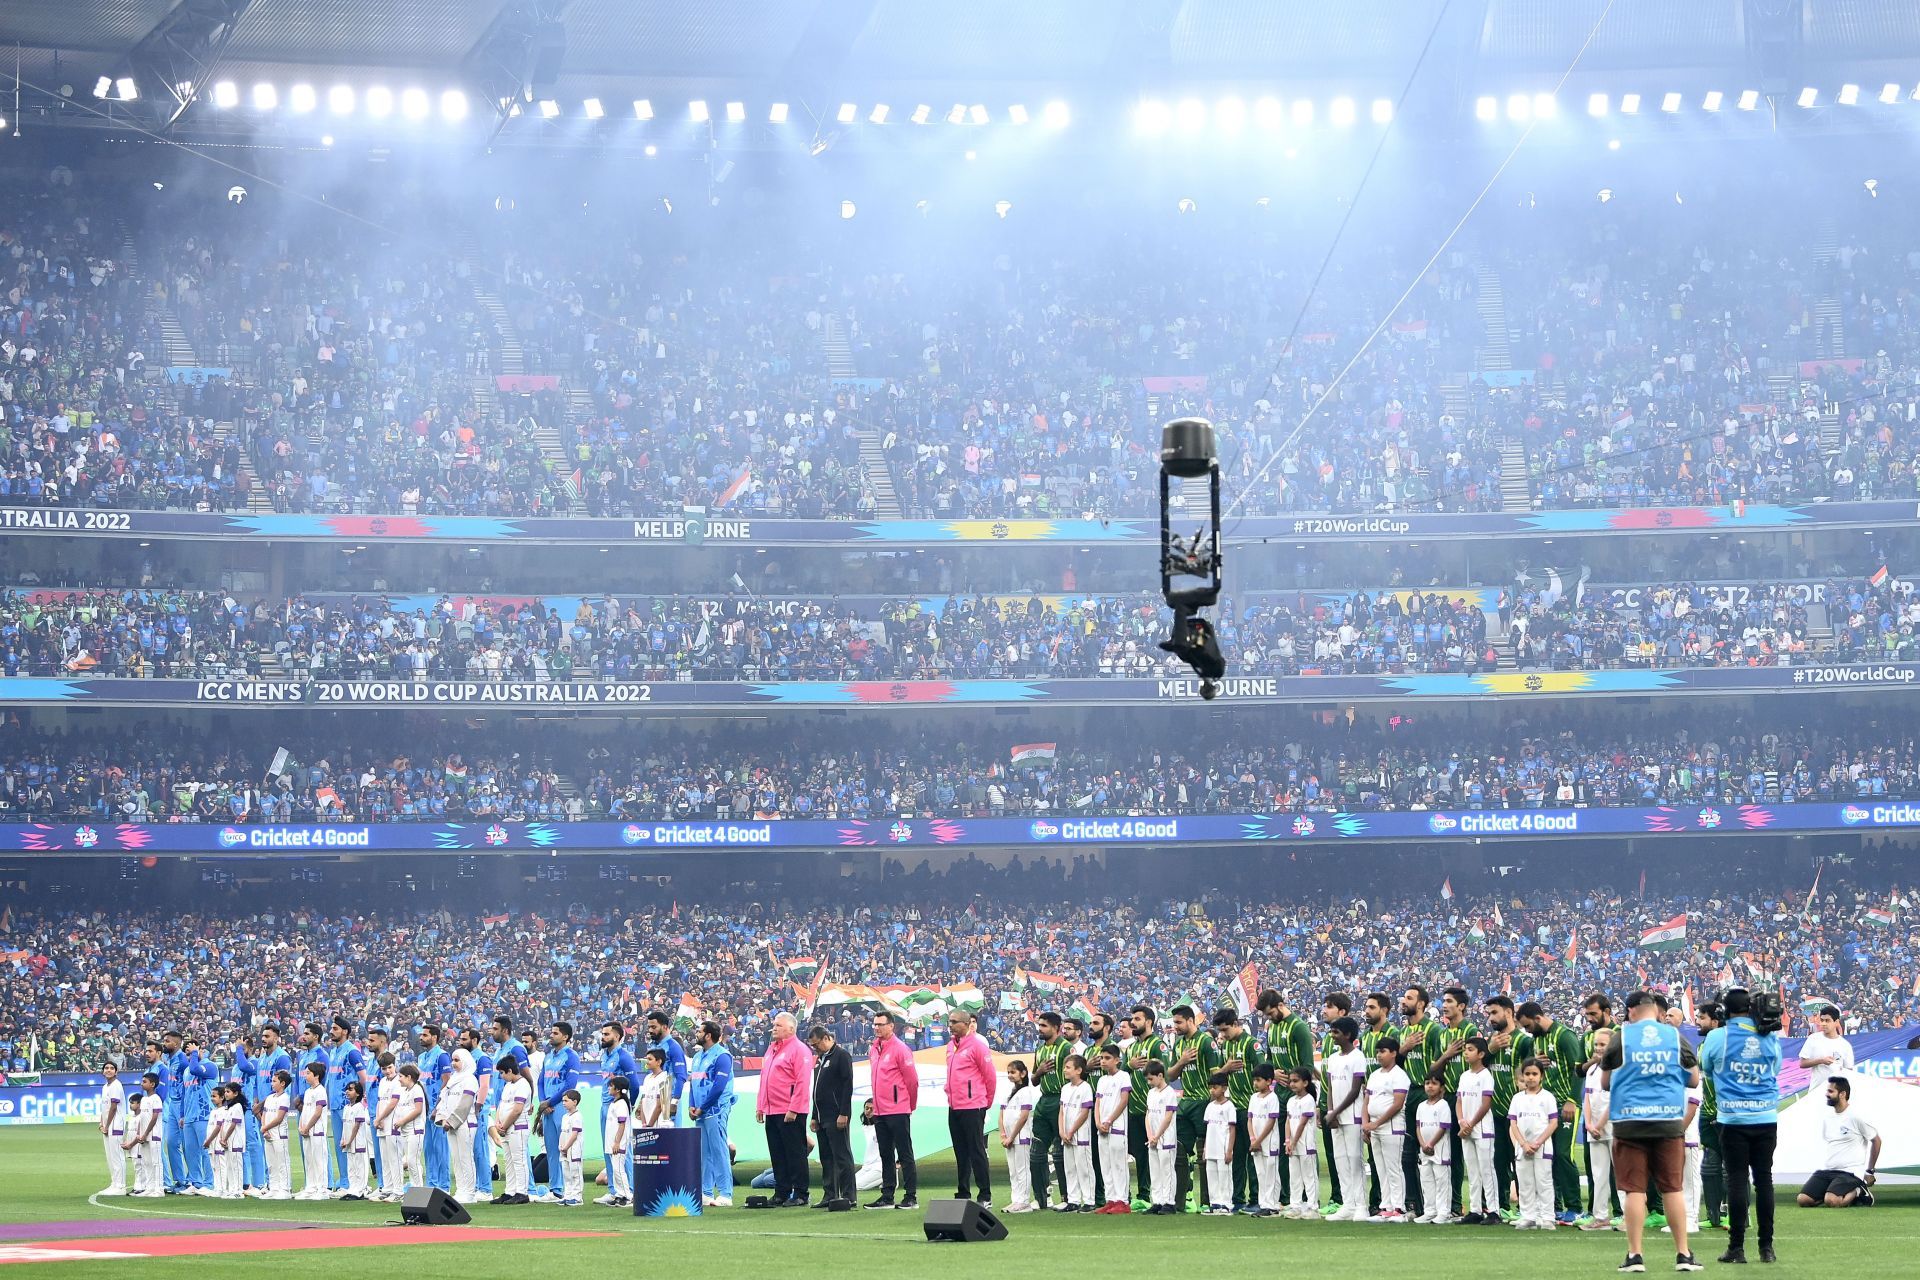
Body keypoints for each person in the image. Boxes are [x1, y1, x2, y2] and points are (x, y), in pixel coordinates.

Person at [1603, 989, 1704, 1274]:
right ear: (1655, 1010)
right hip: (1668, 1120)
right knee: (1672, 1189)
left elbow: (1605, 1081)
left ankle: (1635, 1255)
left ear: (1632, 1011)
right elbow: (1694, 1079)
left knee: (1634, 1190)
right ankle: (1683, 1254)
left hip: (1629, 1121)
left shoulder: (1620, 1038)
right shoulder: (1674, 1037)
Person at [1699, 988, 1782, 1265]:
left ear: (1723, 1011)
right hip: (1766, 1118)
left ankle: (1736, 1248)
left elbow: (1707, 1068)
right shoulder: (1768, 1035)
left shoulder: (1717, 1036)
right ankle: (1766, 1248)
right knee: (1764, 1180)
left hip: (1732, 1119)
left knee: (1736, 1180)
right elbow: (1776, 1067)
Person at [1518, 998, 1585, 1224]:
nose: (1527, 1031)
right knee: (1548, 1157)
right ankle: (1554, 1206)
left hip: (1565, 1105)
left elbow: (1579, 1071)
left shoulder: (1565, 1036)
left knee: (1564, 1155)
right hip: (1543, 1107)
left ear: (1538, 1018)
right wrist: (1534, 1062)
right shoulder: (1535, 1041)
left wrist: (1572, 1100)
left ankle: (1575, 1207)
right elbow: (1523, 1068)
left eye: (1528, 1026)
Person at [1257, 990, 1314, 1210]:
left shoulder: (1298, 1027)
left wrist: (1292, 1080)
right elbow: (1270, 1060)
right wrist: (1274, 1073)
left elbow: (1307, 1065)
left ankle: (1310, 1199)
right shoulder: (1272, 1028)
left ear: (1280, 1005)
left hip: (1299, 1095)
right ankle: (1288, 1197)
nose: (1268, 1018)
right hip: (1279, 1096)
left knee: (1303, 1147)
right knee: (1282, 1145)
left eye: (1270, 1013)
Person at [755, 1012, 813, 1208]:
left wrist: (794, 1108)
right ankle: (781, 1191)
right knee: (777, 1153)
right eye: (774, 1025)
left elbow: (802, 1082)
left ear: (791, 1029)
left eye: (778, 1025)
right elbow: (764, 1079)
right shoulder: (772, 1049)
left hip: (789, 1110)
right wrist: (760, 1105)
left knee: (795, 1152)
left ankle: (801, 1193)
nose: (774, 1028)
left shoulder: (799, 1050)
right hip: (772, 1109)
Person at [1169, 1003, 1223, 1213]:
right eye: (1174, 1022)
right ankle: (1181, 1201)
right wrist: (1182, 1061)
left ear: (1191, 1021)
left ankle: (1208, 1201)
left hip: (1203, 1101)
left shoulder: (1206, 1042)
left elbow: (1215, 1075)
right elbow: (1171, 1075)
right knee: (1180, 1152)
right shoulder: (1179, 1044)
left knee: (1204, 1154)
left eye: (1179, 1022)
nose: (1176, 1026)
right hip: (1185, 1102)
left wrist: (1213, 1103)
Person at [1796, 1077, 1879, 1208]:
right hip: (1828, 1170)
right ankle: (1830, 1193)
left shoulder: (1856, 1116)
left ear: (1842, 1094)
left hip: (1850, 1172)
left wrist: (1870, 1171)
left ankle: (1859, 1190)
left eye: (1830, 1091)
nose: (1826, 1094)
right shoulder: (1827, 1118)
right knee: (1803, 1200)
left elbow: (1876, 1140)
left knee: (1832, 1201)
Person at [865, 1010, 919, 1210]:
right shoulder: (874, 1049)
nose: (877, 1028)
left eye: (880, 1024)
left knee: (904, 1154)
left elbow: (912, 1081)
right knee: (885, 1154)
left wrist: (909, 1105)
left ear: (891, 1026)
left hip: (898, 1109)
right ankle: (887, 1196)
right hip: (880, 1111)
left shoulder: (900, 1049)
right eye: (875, 1025)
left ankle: (911, 1196)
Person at [1211, 1008, 1263, 1213]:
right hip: (1234, 1107)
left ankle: (1257, 1199)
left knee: (1254, 1155)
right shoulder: (1226, 1046)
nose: (1222, 1034)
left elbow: (1263, 1074)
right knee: (1237, 1155)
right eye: (1220, 1031)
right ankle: (1238, 1199)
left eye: (1225, 1030)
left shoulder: (1251, 1044)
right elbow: (1217, 1077)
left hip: (1252, 1107)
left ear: (1235, 1024)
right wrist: (1226, 1069)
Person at [1480, 995, 1526, 1220]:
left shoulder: (1524, 1041)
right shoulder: (1492, 1041)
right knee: (1498, 1161)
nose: (1491, 1018)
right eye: (1489, 1014)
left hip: (1517, 1114)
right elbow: (1478, 1065)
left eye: (1494, 1013)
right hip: (1494, 1111)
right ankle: (1501, 1207)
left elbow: (1532, 1072)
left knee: (1520, 1162)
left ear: (1508, 1013)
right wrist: (1489, 1050)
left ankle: (1526, 1207)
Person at [944, 1009, 995, 1206]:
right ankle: (963, 1191)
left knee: (976, 1150)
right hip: (954, 1105)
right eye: (949, 1021)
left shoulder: (977, 1046)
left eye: (954, 1022)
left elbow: (989, 1076)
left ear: (966, 1024)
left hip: (973, 1106)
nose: (950, 1025)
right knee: (960, 1151)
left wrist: (985, 1102)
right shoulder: (950, 1046)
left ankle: (985, 1194)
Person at [234, 1026, 289, 1195]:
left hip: (274, 1105)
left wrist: (262, 1103)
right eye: (262, 1036)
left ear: (277, 1037)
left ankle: (279, 1185)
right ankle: (270, 1184)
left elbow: (284, 1084)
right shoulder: (263, 1057)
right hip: (260, 1108)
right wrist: (257, 1101)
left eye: (267, 1036)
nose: (263, 1039)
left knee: (275, 1147)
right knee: (267, 1147)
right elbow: (258, 1082)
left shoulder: (281, 1057)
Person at [1324, 1016, 1369, 1221]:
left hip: (1353, 1115)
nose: (1332, 1036)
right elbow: (1331, 1087)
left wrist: (1336, 1111)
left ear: (1348, 1035)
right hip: (1336, 1117)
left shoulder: (1357, 1057)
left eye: (1336, 1032)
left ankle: (1361, 1205)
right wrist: (1330, 1111)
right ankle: (1348, 1203)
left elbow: (1355, 1089)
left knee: (1354, 1159)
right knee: (1340, 1159)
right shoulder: (1333, 1059)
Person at [687, 1020, 736, 1207]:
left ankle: (725, 1194)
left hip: (716, 1110)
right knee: (703, 1152)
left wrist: (703, 1106)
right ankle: (705, 1192)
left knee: (718, 1150)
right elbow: (693, 1081)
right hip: (699, 1110)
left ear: (708, 1035)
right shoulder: (698, 1056)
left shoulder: (722, 1056)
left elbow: (719, 1086)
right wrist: (692, 1105)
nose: (696, 1034)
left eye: (699, 1031)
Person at [1363, 1036, 1411, 1222]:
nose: (1379, 1055)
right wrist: (1366, 1124)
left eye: (1383, 1051)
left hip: (1391, 1126)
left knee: (1393, 1167)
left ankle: (1398, 1208)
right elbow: (1367, 1100)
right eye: (1377, 1051)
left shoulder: (1399, 1075)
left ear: (1393, 1053)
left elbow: (1397, 1104)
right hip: (1374, 1126)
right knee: (1380, 1167)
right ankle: (1386, 1206)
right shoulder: (1375, 1075)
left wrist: (1376, 1123)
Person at [1125, 1004, 1170, 1204]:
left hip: (1154, 1111)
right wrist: (1129, 1065)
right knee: (1141, 1154)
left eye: (1137, 1019)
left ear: (1149, 1022)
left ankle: (1165, 1195)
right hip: (1134, 1109)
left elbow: (1165, 1074)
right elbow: (1123, 1074)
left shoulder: (1158, 1045)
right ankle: (1143, 1195)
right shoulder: (1131, 1048)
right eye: (1132, 1019)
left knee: (1160, 1153)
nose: (1133, 1022)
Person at [532, 1022, 581, 1203]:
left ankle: (571, 1190)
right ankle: (556, 1190)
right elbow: (540, 1082)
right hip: (548, 1109)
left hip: (562, 1107)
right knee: (551, 1149)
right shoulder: (548, 1056)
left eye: (555, 1033)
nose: (550, 1036)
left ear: (565, 1037)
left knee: (565, 1149)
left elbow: (570, 1085)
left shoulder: (571, 1056)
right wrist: (543, 1102)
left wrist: (550, 1102)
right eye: (551, 1032)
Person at [809, 1024, 855, 1211]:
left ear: (827, 1038)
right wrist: (814, 1116)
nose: (815, 1048)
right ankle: (830, 1195)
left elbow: (847, 1086)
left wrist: (844, 1113)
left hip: (836, 1115)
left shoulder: (841, 1056)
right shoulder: (820, 1059)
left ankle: (848, 1196)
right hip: (822, 1116)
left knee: (842, 1156)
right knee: (826, 1158)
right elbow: (816, 1091)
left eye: (817, 1044)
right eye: (812, 1045)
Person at [1027, 1011, 1070, 1209]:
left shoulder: (1066, 1048)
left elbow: (1075, 1075)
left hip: (1061, 1100)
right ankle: (1041, 1198)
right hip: (1043, 1101)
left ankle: (1066, 1198)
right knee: (1036, 1152)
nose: (1040, 1029)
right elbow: (1034, 1081)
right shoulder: (1040, 1049)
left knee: (1061, 1153)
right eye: (1039, 1025)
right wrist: (1040, 1071)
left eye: (1044, 1026)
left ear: (1056, 1028)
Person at [1510, 1059, 1559, 1229]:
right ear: (1522, 1076)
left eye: (1534, 1074)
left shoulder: (1547, 1097)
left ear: (1541, 1076)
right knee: (1525, 1183)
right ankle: (1528, 1216)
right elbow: (1513, 1124)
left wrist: (1538, 1142)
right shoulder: (1517, 1098)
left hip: (1542, 1147)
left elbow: (1553, 1123)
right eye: (1527, 1074)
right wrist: (1523, 1144)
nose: (1531, 1078)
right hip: (1522, 1147)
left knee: (1543, 1181)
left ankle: (1547, 1216)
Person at [323, 1017, 370, 1193]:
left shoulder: (352, 1052)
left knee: (353, 1144)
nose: (331, 1031)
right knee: (340, 1143)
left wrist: (361, 1099)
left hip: (349, 1105)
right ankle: (344, 1180)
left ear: (344, 1031)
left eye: (335, 1028)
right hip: (336, 1105)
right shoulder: (333, 1051)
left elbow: (363, 1077)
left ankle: (355, 1182)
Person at [1456, 1037, 1497, 1225]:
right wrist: (1461, 1121)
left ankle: (1494, 1210)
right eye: (1465, 1049)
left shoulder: (1486, 1076)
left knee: (1486, 1169)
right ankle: (1475, 1209)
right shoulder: (1464, 1076)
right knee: (1472, 1171)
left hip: (1482, 1129)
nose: (1466, 1053)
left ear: (1481, 1054)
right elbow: (1459, 1101)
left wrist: (1471, 1123)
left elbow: (1485, 1104)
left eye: (1470, 1049)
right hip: (1466, 1129)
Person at [1582, 1026, 1617, 1232]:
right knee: (1599, 1174)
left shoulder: (1617, 1069)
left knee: (1621, 1174)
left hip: (1613, 1126)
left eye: (1603, 1044)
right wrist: (1588, 1123)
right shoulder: (1592, 1071)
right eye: (1596, 1044)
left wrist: (1600, 1124)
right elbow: (1587, 1097)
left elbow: (1615, 1099)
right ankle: (1600, 1216)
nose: (1598, 1048)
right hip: (1593, 1127)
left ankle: (1626, 1216)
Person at [436, 1049, 483, 1204]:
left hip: (465, 1123)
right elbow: (443, 1100)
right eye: (453, 1060)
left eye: (457, 1060)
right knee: (456, 1158)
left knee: (465, 1157)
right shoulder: (452, 1079)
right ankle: (461, 1189)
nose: (453, 1063)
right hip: (449, 1124)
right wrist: (442, 1118)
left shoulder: (470, 1079)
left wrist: (451, 1121)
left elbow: (465, 1103)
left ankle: (469, 1192)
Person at [1093, 1042, 1132, 1213]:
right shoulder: (1102, 1080)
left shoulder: (1123, 1076)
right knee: (1106, 1165)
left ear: (1117, 1060)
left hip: (1116, 1128)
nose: (1103, 1061)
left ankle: (1122, 1201)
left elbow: (1123, 1101)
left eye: (1107, 1058)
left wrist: (1108, 1121)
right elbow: (1098, 1102)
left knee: (1118, 1165)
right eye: (1102, 1058)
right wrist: (1098, 1122)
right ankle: (1110, 1199)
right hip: (1102, 1128)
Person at [490, 1054, 532, 1205]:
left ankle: (522, 1192)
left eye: (502, 1073)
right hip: (506, 1128)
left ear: (509, 1070)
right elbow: (501, 1105)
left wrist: (504, 1125)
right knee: (508, 1160)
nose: (501, 1076)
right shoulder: (508, 1086)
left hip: (518, 1127)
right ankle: (510, 1191)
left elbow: (517, 1110)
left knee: (519, 1160)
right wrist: (497, 1122)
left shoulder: (523, 1084)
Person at [416, 1025, 453, 1193]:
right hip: (424, 1108)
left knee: (440, 1148)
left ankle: (443, 1186)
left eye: (425, 1035)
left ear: (435, 1037)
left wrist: (438, 1106)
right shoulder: (422, 1057)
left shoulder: (442, 1056)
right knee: (428, 1148)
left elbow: (447, 1082)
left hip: (437, 1109)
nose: (421, 1038)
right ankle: (431, 1184)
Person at [1413, 1074, 1454, 1223]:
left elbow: (1443, 1127)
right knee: (1427, 1180)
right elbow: (1418, 1127)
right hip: (1424, 1150)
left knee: (1441, 1180)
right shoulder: (1421, 1106)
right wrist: (1423, 1144)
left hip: (1439, 1149)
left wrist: (1431, 1144)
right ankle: (1429, 1211)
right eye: (1427, 1083)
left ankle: (1443, 1211)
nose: (1430, 1086)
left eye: (1434, 1083)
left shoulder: (1443, 1105)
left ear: (1441, 1088)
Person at [998, 1060, 1038, 1213]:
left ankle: (1024, 1201)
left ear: (1023, 1073)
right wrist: (1003, 1134)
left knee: (1022, 1168)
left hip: (1020, 1136)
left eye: (1013, 1072)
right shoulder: (1008, 1092)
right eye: (1008, 1072)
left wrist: (1011, 1136)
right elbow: (1001, 1115)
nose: (1010, 1075)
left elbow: (1023, 1116)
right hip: (1008, 1137)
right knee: (1013, 1170)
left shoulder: (1026, 1092)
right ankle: (1016, 1199)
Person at [1057, 1054, 1096, 1212]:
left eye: (1068, 1067)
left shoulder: (1085, 1088)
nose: (1065, 1070)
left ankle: (1089, 1200)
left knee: (1084, 1168)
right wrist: (1062, 1131)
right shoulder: (1065, 1089)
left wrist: (1071, 1130)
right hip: (1066, 1136)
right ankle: (1072, 1200)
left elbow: (1084, 1112)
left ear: (1079, 1070)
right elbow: (1061, 1111)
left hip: (1081, 1136)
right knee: (1070, 1168)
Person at [1246, 1063, 1283, 1217]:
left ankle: (1272, 1204)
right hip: (1256, 1143)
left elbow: (1270, 1122)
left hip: (1269, 1142)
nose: (1255, 1083)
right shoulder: (1253, 1098)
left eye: (1259, 1080)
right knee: (1261, 1173)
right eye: (1254, 1080)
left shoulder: (1272, 1098)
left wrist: (1259, 1140)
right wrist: (1253, 1139)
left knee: (1271, 1173)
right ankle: (1263, 1203)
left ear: (1269, 1081)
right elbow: (1250, 1119)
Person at [1283, 1067, 1320, 1219]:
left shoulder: (1309, 1100)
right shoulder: (1291, 1101)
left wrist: (1293, 1141)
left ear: (1305, 1082)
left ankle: (1313, 1206)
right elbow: (1288, 1121)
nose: (1292, 1084)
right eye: (1291, 1081)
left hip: (1306, 1144)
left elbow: (1302, 1123)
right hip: (1293, 1145)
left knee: (1309, 1176)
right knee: (1295, 1176)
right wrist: (1287, 1141)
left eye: (1296, 1081)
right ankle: (1296, 1205)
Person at [1797, 1006, 1855, 1098]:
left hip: (1835, 1097)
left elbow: (1848, 1073)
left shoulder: (1845, 1045)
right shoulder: (1813, 1038)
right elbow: (1802, 1063)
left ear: (1836, 1022)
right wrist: (1821, 1061)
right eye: (1822, 1020)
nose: (1823, 1024)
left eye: (1827, 1021)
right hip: (1815, 1094)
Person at [1201, 1072, 1237, 1216]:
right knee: (1212, 1177)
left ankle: (1226, 1204)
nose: (1212, 1090)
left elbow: (1232, 1129)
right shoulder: (1210, 1106)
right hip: (1211, 1148)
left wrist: (1229, 1150)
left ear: (1224, 1088)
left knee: (1224, 1177)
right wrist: (1204, 1149)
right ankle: (1214, 1203)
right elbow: (1207, 1129)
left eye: (1215, 1087)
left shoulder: (1229, 1106)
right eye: (1211, 1088)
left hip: (1223, 1149)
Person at [645, 1010, 689, 1125]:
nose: (650, 1030)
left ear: (664, 1027)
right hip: (652, 1099)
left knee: (671, 1139)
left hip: (668, 1100)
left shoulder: (673, 1047)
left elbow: (681, 1076)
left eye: (654, 1027)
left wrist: (674, 1102)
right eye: (649, 1027)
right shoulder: (653, 1046)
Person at [597, 1075, 632, 1208]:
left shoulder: (622, 1104)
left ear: (618, 1089)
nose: (608, 1088)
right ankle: (619, 1194)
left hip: (619, 1144)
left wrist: (617, 1142)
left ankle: (627, 1196)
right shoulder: (614, 1103)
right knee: (615, 1170)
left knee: (619, 1170)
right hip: (612, 1143)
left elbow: (622, 1125)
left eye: (611, 1086)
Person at [296, 1062, 330, 1200]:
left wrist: (307, 1127)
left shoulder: (320, 1090)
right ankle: (311, 1187)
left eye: (308, 1073)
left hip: (317, 1131)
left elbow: (317, 1113)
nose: (306, 1075)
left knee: (319, 1160)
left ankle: (322, 1188)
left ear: (316, 1075)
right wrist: (301, 1127)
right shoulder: (308, 1091)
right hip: (307, 1131)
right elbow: (304, 1112)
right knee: (309, 1160)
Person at [258, 1070, 294, 1200]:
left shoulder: (284, 1098)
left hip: (279, 1134)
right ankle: (274, 1188)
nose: (272, 1083)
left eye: (274, 1081)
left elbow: (279, 1118)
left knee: (282, 1162)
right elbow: (265, 1114)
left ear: (283, 1083)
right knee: (271, 1163)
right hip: (268, 1135)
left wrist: (265, 1128)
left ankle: (285, 1189)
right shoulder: (269, 1098)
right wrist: (264, 1128)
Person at [97, 1060, 127, 1196]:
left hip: (115, 1125)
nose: (108, 1070)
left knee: (117, 1156)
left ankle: (120, 1185)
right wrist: (101, 1122)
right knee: (110, 1156)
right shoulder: (105, 1087)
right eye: (106, 1068)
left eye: (111, 1068)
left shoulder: (116, 1085)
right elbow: (104, 1107)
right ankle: (114, 1183)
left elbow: (114, 1108)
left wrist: (107, 1125)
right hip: (107, 1125)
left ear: (116, 1071)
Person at [340, 1080, 372, 1201]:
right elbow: (345, 1126)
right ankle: (352, 1188)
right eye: (347, 1089)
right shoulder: (346, 1108)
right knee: (351, 1167)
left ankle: (361, 1189)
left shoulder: (360, 1107)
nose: (348, 1091)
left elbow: (356, 1126)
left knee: (360, 1166)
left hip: (358, 1142)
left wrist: (349, 1140)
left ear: (358, 1093)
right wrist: (343, 1140)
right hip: (348, 1143)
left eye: (351, 1089)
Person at [555, 1089, 585, 1206]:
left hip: (574, 1149)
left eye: (566, 1101)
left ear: (575, 1102)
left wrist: (566, 1146)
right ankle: (568, 1195)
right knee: (566, 1173)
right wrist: (561, 1146)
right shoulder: (565, 1117)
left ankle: (577, 1197)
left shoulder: (577, 1116)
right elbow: (563, 1133)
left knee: (575, 1173)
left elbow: (574, 1134)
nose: (563, 1103)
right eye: (563, 1101)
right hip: (564, 1149)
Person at [124, 1088, 155, 1198]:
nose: (130, 1105)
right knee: (136, 1166)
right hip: (132, 1146)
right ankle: (138, 1186)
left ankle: (141, 1187)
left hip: (137, 1146)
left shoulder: (141, 1117)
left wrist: (130, 1144)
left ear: (139, 1104)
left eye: (133, 1103)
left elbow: (139, 1134)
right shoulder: (132, 1117)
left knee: (140, 1166)